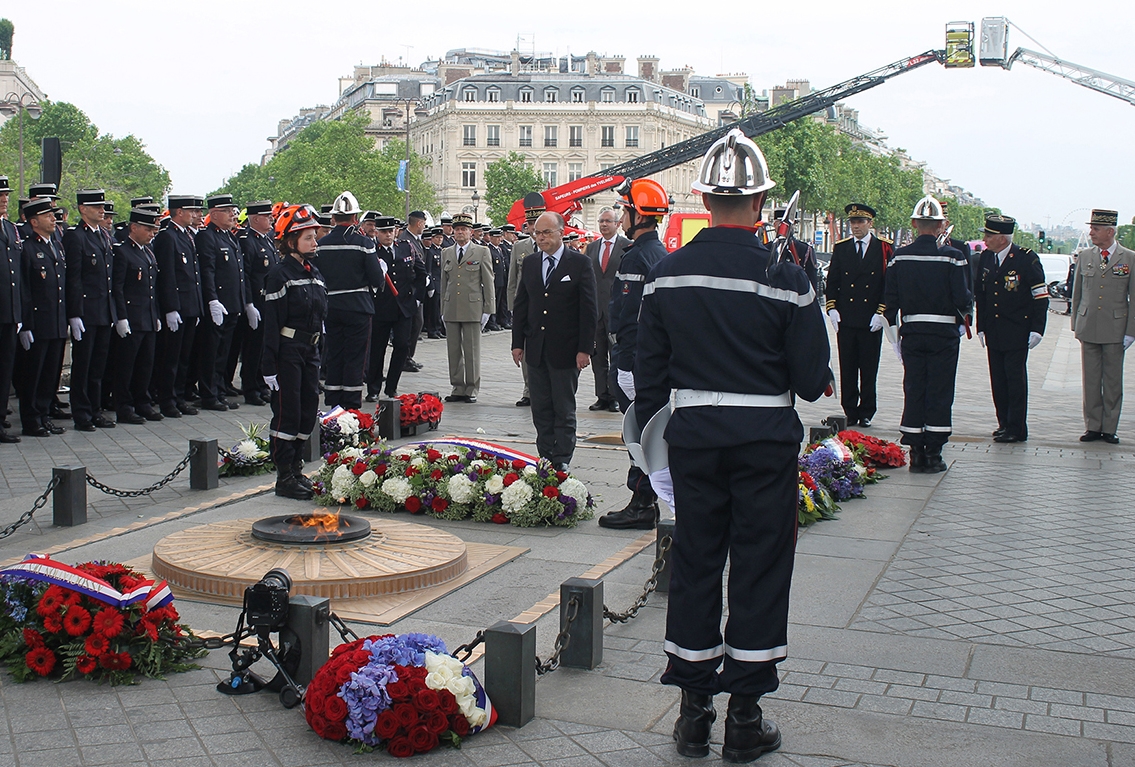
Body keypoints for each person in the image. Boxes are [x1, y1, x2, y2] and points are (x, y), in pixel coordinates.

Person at [634, 129, 829, 762]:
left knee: (696, 565)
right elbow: (810, 381)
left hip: (693, 442)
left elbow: (649, 379)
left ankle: (693, 714)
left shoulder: (666, 274)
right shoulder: (787, 276)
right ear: (761, 203)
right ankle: (744, 715)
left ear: (706, 200)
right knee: (760, 568)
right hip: (764, 444)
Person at [597, 180, 669, 530]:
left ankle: (642, 502)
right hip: (648, 359)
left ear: (639, 215)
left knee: (637, 431)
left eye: (626, 211)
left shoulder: (640, 256)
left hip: (636, 360)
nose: (623, 216)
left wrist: (625, 364)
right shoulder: (657, 254)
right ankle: (646, 499)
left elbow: (633, 318)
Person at [883, 196, 971, 473]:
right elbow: (963, 298)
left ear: (913, 224)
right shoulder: (953, 257)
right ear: (940, 224)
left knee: (914, 388)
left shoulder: (899, 256)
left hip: (912, 331)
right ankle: (933, 452)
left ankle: (915, 450)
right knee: (940, 391)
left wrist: (895, 332)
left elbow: (890, 299)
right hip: (943, 333)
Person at [511, 211, 597, 470]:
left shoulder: (579, 264)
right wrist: (517, 343)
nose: (541, 238)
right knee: (541, 408)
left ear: (561, 232)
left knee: (563, 407)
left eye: (547, 232)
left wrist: (584, 349)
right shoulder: (531, 262)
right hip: (536, 348)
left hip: (566, 350)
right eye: (537, 233)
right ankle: (545, 455)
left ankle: (562, 458)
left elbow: (589, 310)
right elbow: (522, 304)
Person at [262, 204, 327, 500]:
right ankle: (283, 475)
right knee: (287, 413)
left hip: (310, 350)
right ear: (291, 242)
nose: (315, 242)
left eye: (314, 236)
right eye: (308, 238)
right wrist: (269, 366)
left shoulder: (314, 271)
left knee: (306, 412)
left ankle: (297, 468)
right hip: (288, 350)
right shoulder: (279, 274)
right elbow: (272, 324)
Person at [975, 215, 1048, 443]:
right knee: (998, 380)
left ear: (1003, 239)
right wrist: (981, 326)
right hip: (994, 330)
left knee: (1014, 380)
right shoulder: (986, 258)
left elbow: (1040, 296)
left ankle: (1017, 427)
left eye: (989, 235)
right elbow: (982, 295)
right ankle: (1003, 423)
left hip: (1017, 330)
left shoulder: (1026, 259)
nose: (985, 239)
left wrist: (1038, 329)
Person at [314, 191, 386, 410]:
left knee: (334, 354)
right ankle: (351, 404)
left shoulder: (322, 244)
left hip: (331, 307)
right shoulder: (364, 243)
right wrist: (381, 272)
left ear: (334, 218)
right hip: (358, 307)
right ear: (356, 218)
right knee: (355, 357)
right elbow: (376, 279)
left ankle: (333, 401)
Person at [1070, 209, 1135, 444]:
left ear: (1110, 231)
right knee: (1091, 379)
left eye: (1095, 229)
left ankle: (1110, 428)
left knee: (1112, 381)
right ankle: (1093, 426)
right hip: (1089, 325)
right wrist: (1076, 323)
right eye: (1091, 228)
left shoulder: (1129, 258)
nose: (1091, 233)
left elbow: (1134, 298)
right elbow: (1077, 293)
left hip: (1116, 328)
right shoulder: (1086, 256)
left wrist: (1131, 331)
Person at [825, 203, 892, 427]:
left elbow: (888, 285)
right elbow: (833, 281)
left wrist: (881, 313)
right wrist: (832, 308)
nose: (855, 226)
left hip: (870, 318)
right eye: (852, 222)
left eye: (860, 222)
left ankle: (867, 411)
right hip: (847, 318)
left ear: (870, 223)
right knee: (848, 366)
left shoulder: (884, 248)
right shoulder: (842, 248)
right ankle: (850, 410)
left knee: (869, 367)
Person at [63, 189, 117, 431]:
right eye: (96, 206)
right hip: (86, 310)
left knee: (98, 366)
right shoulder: (76, 236)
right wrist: (74, 313)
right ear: (82, 209)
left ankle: (95, 409)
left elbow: (108, 278)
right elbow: (73, 278)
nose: (101, 210)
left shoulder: (103, 235)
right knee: (83, 365)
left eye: (102, 206)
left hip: (103, 310)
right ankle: (82, 413)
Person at [15, 197, 69, 437]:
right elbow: (24, 289)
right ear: (34, 221)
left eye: (54, 215)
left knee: (51, 372)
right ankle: (31, 419)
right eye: (48, 216)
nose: (53, 219)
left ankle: (45, 414)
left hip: (56, 320)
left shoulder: (56, 245)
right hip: (38, 322)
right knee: (33, 375)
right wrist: (26, 324)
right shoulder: (27, 248)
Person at [196, 194, 253, 411]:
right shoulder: (207, 237)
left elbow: (239, 274)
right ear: (214, 214)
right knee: (212, 352)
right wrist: (212, 300)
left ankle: (218, 390)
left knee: (224, 353)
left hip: (232, 304)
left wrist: (243, 302)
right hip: (219, 303)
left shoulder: (229, 237)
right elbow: (208, 271)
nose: (232, 215)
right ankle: (209, 395)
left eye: (233, 210)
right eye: (227, 211)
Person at [153, 195, 204, 418]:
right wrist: (171, 307)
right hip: (177, 306)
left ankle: (180, 395)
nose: (195, 215)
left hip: (190, 305)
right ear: (179, 212)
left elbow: (193, 275)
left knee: (184, 357)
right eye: (191, 211)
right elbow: (168, 275)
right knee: (171, 358)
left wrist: (199, 306)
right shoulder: (168, 237)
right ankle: (167, 399)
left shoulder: (187, 236)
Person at [112, 208, 164, 424]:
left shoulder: (148, 251)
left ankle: (142, 402)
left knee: (145, 365)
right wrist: (121, 317)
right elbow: (118, 287)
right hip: (132, 318)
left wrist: (157, 315)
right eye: (148, 228)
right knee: (126, 366)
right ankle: (124, 406)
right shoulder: (123, 252)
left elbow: (152, 288)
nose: (152, 233)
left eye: (154, 229)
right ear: (134, 228)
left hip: (148, 317)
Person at [367, 216, 425, 400]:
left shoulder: (406, 247)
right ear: (377, 233)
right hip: (380, 307)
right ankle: (373, 388)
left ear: (396, 231)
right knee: (377, 349)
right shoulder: (371, 251)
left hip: (404, 307)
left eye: (390, 231)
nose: (388, 235)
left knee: (402, 345)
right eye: (383, 232)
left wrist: (417, 298)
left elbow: (421, 274)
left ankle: (391, 386)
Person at [440, 213, 494, 403]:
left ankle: (471, 387)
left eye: (464, 229)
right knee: (453, 350)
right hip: (452, 306)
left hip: (473, 306)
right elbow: (443, 282)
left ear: (471, 232)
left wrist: (488, 309)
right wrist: (442, 308)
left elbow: (488, 281)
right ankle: (457, 386)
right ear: (453, 232)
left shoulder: (481, 251)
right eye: (457, 229)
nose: (460, 232)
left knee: (471, 349)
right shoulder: (446, 252)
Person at [586, 207, 631, 413]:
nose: (603, 224)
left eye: (607, 221)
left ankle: (614, 395)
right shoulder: (592, 248)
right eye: (601, 221)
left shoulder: (626, 247)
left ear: (617, 224)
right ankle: (601, 396)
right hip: (595, 311)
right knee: (598, 355)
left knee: (615, 355)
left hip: (616, 310)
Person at [238, 200, 280, 406]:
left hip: (267, 301)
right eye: (267, 216)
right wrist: (248, 303)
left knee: (264, 346)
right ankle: (250, 387)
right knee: (253, 348)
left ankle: (261, 383)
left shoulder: (266, 239)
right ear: (255, 219)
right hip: (256, 300)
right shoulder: (247, 240)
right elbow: (245, 274)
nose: (271, 219)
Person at [507, 194, 547, 407]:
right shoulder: (519, 247)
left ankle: (540, 389)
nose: (533, 227)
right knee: (523, 347)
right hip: (525, 305)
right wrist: (512, 306)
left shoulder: (549, 244)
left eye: (537, 223)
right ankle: (528, 389)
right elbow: (513, 279)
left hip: (545, 305)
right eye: (531, 223)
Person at [0, 176, 22, 443]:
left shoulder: (9, 228)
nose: (4, 199)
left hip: (8, 311)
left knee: (5, 368)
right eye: (0, 195)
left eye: (6, 195)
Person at [399, 211, 429, 371]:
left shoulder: (414, 240)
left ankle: (408, 357)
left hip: (417, 287)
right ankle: (405, 358)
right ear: (418, 223)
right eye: (423, 223)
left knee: (417, 323)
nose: (424, 227)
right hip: (409, 288)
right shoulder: (405, 239)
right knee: (413, 323)